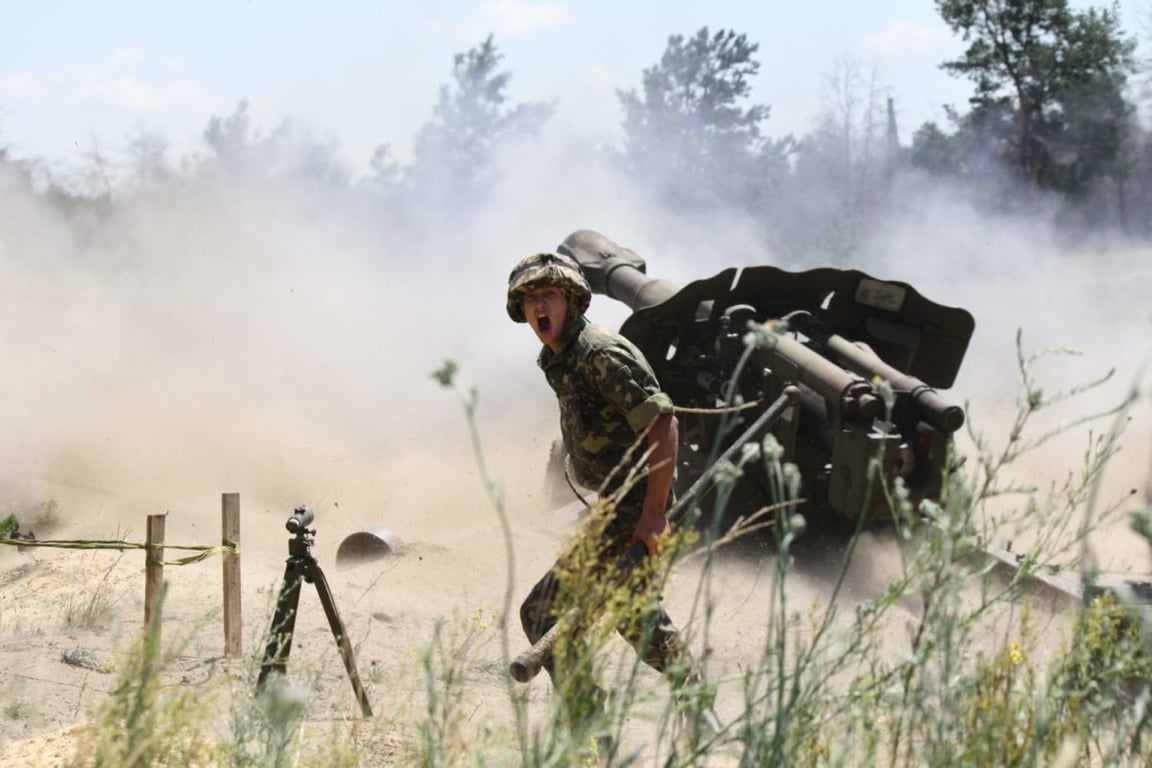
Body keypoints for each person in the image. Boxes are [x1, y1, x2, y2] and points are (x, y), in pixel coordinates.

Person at [505, 250, 689, 706]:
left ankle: (585, 709)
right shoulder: (559, 357)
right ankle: (691, 695)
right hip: (614, 501)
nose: (538, 306)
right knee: (635, 616)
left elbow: (663, 425)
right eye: (529, 299)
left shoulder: (599, 352)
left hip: (636, 502)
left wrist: (653, 517)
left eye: (548, 294)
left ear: (570, 301)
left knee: (542, 610)